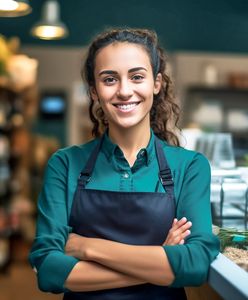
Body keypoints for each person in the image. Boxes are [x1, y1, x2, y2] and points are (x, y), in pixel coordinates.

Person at [29, 28, 220, 299]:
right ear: (94, 91)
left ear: (157, 84)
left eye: (137, 77)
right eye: (109, 79)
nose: (124, 91)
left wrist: (87, 248)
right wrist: (161, 260)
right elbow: (48, 270)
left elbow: (195, 264)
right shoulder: (65, 164)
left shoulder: (190, 167)